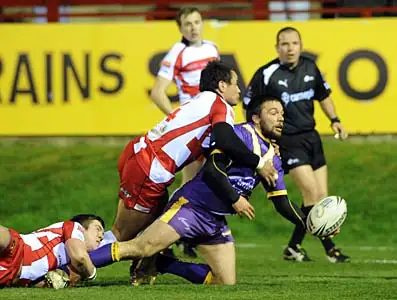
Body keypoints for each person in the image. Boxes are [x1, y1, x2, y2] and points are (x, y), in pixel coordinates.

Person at [89, 96, 329, 285]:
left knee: (225, 282)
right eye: (273, 113)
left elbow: (282, 203)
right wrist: (236, 199)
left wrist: (312, 224)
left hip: (215, 221)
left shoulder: (274, 159)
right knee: (139, 246)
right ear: (256, 117)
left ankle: (161, 264)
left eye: (282, 114)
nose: (280, 119)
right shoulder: (238, 134)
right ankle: (73, 267)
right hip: (191, 207)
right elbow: (213, 169)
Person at [101, 61, 278, 283]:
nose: (240, 90)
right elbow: (226, 139)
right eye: (236, 84)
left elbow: (211, 149)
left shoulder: (200, 103)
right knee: (122, 235)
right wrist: (259, 163)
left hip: (139, 155)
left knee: (154, 225)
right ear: (222, 86)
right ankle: (66, 264)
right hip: (151, 167)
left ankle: (144, 269)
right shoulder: (220, 106)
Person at [243, 26, 350, 263]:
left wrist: (335, 120)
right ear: (277, 47)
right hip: (288, 140)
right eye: (284, 44)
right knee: (310, 191)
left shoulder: (311, 67)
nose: (290, 48)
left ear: (300, 45)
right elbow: (249, 105)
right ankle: (330, 247)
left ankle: (293, 247)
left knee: (320, 195)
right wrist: (261, 136)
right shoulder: (267, 74)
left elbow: (323, 95)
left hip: (311, 137)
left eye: (294, 43)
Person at [150, 7, 219, 257]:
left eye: (197, 22)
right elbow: (157, 92)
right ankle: (167, 237)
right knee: (190, 183)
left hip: (211, 124)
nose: (193, 27)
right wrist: (178, 119)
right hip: (193, 128)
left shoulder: (211, 48)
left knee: (205, 180)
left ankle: (185, 235)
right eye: (187, 23)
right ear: (180, 28)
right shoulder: (177, 52)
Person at [0, 214, 104, 288]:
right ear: (82, 227)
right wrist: (92, 274)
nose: (101, 236)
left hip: (10, 275)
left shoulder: (67, 264)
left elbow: (41, 281)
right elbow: (80, 258)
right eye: (98, 229)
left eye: (103, 234)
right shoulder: (74, 227)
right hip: (17, 248)